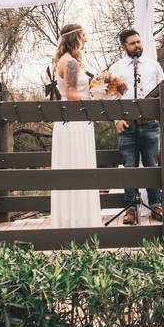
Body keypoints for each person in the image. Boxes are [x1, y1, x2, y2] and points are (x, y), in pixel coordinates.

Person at [108, 29, 164, 224]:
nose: (137, 46)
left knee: (152, 165)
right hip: (127, 126)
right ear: (124, 46)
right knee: (129, 167)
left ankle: (157, 206)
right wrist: (116, 120)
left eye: (139, 42)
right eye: (132, 43)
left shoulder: (153, 66)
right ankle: (131, 209)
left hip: (150, 125)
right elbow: (110, 97)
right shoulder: (116, 68)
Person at [50, 23, 102, 227]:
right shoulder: (70, 63)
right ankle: (79, 221)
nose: (86, 39)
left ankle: (73, 217)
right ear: (76, 39)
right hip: (74, 123)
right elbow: (72, 95)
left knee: (74, 167)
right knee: (77, 167)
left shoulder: (64, 60)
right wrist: (97, 99)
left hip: (70, 121)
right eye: (84, 35)